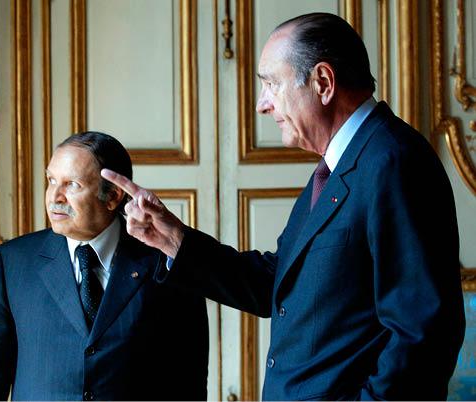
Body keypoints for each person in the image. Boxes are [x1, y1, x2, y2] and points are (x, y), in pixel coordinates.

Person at [101, 12, 466, 400]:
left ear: (323, 82)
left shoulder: (393, 161)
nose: (262, 105)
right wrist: (173, 240)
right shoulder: (340, 164)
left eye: (272, 84)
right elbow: (278, 282)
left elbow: (423, 333)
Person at [0, 131, 209, 401]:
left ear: (113, 196)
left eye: (72, 185)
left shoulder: (166, 262)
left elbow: (189, 384)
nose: (55, 197)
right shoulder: (12, 262)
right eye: (51, 180)